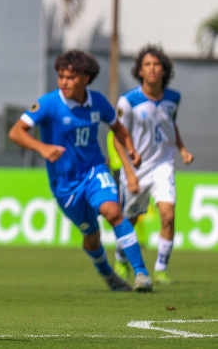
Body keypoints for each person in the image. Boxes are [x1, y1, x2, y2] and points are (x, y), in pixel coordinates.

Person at [8, 50, 152, 292]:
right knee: (92, 237)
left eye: (70, 77)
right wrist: (42, 148)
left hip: (94, 171)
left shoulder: (98, 102)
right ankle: (108, 274)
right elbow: (16, 132)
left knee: (113, 211)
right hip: (65, 186)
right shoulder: (48, 103)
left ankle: (141, 273)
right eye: (61, 76)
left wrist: (130, 149)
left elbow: (118, 127)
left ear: (85, 78)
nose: (64, 82)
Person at [113, 44, 193, 285]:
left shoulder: (173, 98)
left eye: (156, 64)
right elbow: (118, 136)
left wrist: (182, 149)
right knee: (130, 220)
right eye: (147, 64)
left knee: (168, 215)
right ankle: (120, 258)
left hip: (163, 166)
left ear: (164, 70)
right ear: (139, 70)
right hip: (137, 170)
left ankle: (160, 269)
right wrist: (129, 170)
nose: (152, 68)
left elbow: (170, 126)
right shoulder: (128, 101)